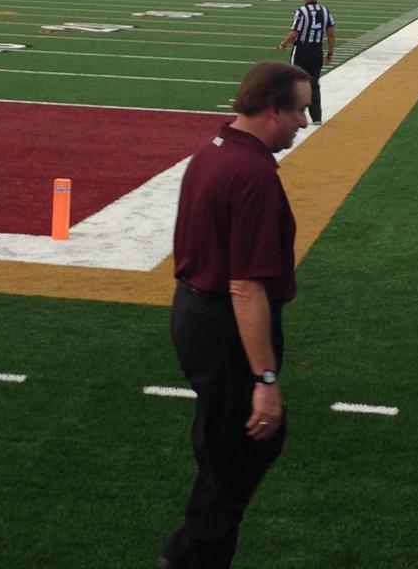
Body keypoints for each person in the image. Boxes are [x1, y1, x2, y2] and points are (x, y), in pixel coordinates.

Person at [158, 61, 312, 569]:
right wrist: (265, 378)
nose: (304, 121)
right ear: (272, 109)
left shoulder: (213, 150)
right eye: (300, 110)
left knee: (224, 448)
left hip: (197, 313)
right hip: (225, 324)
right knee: (240, 455)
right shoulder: (253, 174)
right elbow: (246, 287)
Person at [277, 0, 335, 125]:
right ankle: (317, 117)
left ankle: (294, 114)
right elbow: (331, 34)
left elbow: (294, 33)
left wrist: (283, 44)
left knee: (295, 81)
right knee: (314, 83)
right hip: (317, 50)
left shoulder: (301, 12)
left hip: (302, 50)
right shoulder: (325, 11)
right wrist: (330, 52)